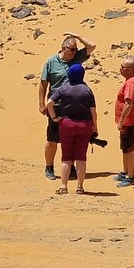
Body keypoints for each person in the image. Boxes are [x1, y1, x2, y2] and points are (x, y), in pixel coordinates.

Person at [37, 32, 95, 180]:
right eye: (72, 49)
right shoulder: (51, 62)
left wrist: (77, 36)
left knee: (71, 137)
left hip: (74, 104)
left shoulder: (77, 58)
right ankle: (49, 167)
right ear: (63, 48)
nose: (75, 52)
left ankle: (70, 167)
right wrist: (41, 104)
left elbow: (92, 46)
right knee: (52, 138)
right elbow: (43, 84)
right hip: (56, 104)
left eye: (76, 49)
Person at [49, 62, 99, 194]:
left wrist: (54, 117)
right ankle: (80, 186)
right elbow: (93, 111)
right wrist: (95, 127)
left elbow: (49, 103)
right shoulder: (87, 90)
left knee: (66, 156)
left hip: (67, 124)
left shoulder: (64, 88)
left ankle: (63, 186)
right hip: (84, 125)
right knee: (81, 156)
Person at [111, 57, 134, 186]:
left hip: (129, 122)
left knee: (129, 148)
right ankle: (125, 172)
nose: (120, 69)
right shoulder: (132, 81)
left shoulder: (131, 84)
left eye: (122, 67)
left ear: (130, 69)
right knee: (125, 147)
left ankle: (131, 177)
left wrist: (121, 121)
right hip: (130, 121)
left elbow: (128, 104)